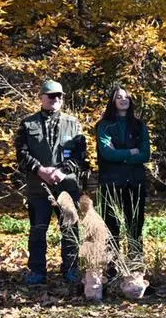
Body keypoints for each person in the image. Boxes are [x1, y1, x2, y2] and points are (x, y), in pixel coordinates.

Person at [14, 79, 87, 285]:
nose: (55, 99)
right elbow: (21, 153)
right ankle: (37, 271)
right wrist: (39, 169)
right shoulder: (28, 124)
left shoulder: (73, 123)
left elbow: (81, 155)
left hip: (67, 187)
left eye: (59, 96)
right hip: (39, 187)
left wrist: (63, 171)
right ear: (42, 97)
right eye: (51, 95)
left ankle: (71, 269)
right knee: (38, 229)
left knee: (70, 228)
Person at [95, 85, 151, 269]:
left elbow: (145, 155)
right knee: (112, 226)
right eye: (119, 96)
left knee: (135, 224)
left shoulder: (139, 126)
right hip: (111, 182)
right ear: (113, 100)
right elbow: (106, 154)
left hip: (135, 182)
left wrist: (120, 155)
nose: (123, 99)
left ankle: (135, 264)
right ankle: (113, 265)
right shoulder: (104, 126)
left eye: (127, 96)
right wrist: (130, 153)